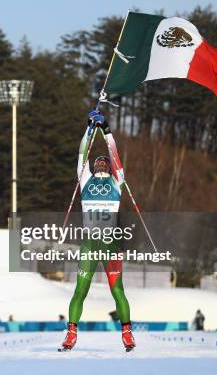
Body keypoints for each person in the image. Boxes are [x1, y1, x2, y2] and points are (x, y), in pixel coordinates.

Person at [61, 110, 135, 352]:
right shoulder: (85, 180)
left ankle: (127, 333)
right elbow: (82, 153)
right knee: (80, 290)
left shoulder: (117, 182)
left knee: (118, 291)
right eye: (98, 161)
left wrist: (107, 130)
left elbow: (116, 157)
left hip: (110, 245)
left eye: (105, 161)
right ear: (93, 167)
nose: (101, 162)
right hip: (90, 245)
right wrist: (89, 130)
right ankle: (71, 333)